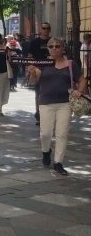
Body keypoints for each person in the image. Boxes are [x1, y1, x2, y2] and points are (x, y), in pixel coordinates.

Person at [27, 38, 86, 176]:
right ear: (48, 48)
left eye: (57, 46)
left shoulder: (70, 64)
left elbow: (82, 79)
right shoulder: (42, 63)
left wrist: (80, 91)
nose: (54, 49)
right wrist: (32, 73)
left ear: (63, 48)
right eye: (51, 46)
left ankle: (58, 162)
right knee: (45, 133)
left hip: (65, 103)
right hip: (46, 102)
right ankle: (46, 151)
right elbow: (34, 81)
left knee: (62, 133)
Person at [29, 23, 52, 125]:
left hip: (51, 69)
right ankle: (38, 115)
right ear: (40, 30)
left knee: (51, 92)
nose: (46, 30)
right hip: (37, 69)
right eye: (44, 28)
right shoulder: (35, 42)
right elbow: (30, 56)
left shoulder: (52, 42)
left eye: (47, 28)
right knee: (38, 93)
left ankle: (49, 115)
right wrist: (30, 69)